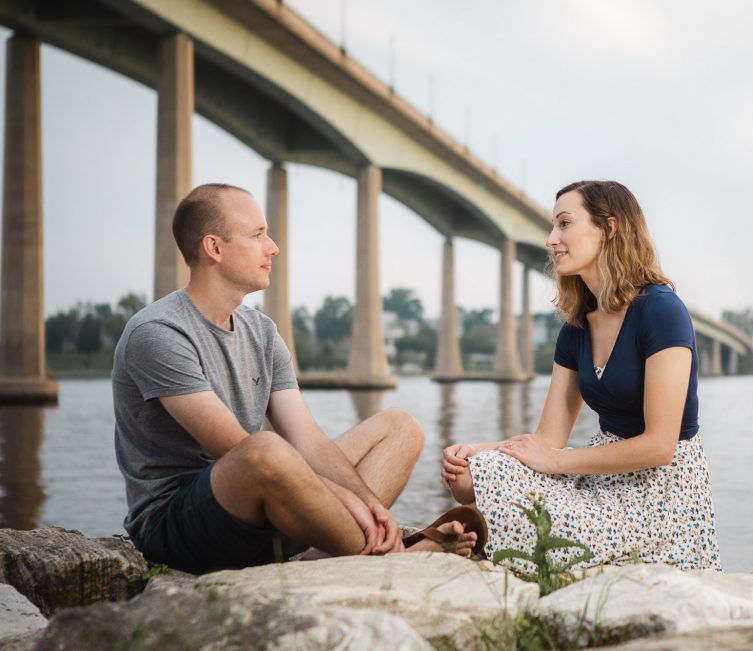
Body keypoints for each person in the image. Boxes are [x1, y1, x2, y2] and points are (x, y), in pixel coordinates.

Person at [113, 183, 480, 574]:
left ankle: (331, 552)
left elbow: (307, 439)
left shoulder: (262, 331)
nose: (272, 247)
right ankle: (396, 558)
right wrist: (343, 499)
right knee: (263, 451)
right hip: (180, 526)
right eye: (257, 235)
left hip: (267, 510)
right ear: (214, 248)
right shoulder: (158, 332)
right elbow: (232, 447)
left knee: (401, 427)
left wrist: (368, 503)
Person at [441, 180, 720, 571]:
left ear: (609, 229)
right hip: (601, 477)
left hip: (662, 491)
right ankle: (483, 531)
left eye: (564, 224)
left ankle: (487, 538)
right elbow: (546, 439)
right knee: (481, 473)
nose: (551, 239)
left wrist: (555, 462)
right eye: (553, 226)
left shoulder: (661, 311)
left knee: (527, 518)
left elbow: (660, 446)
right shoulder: (576, 328)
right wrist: (476, 452)